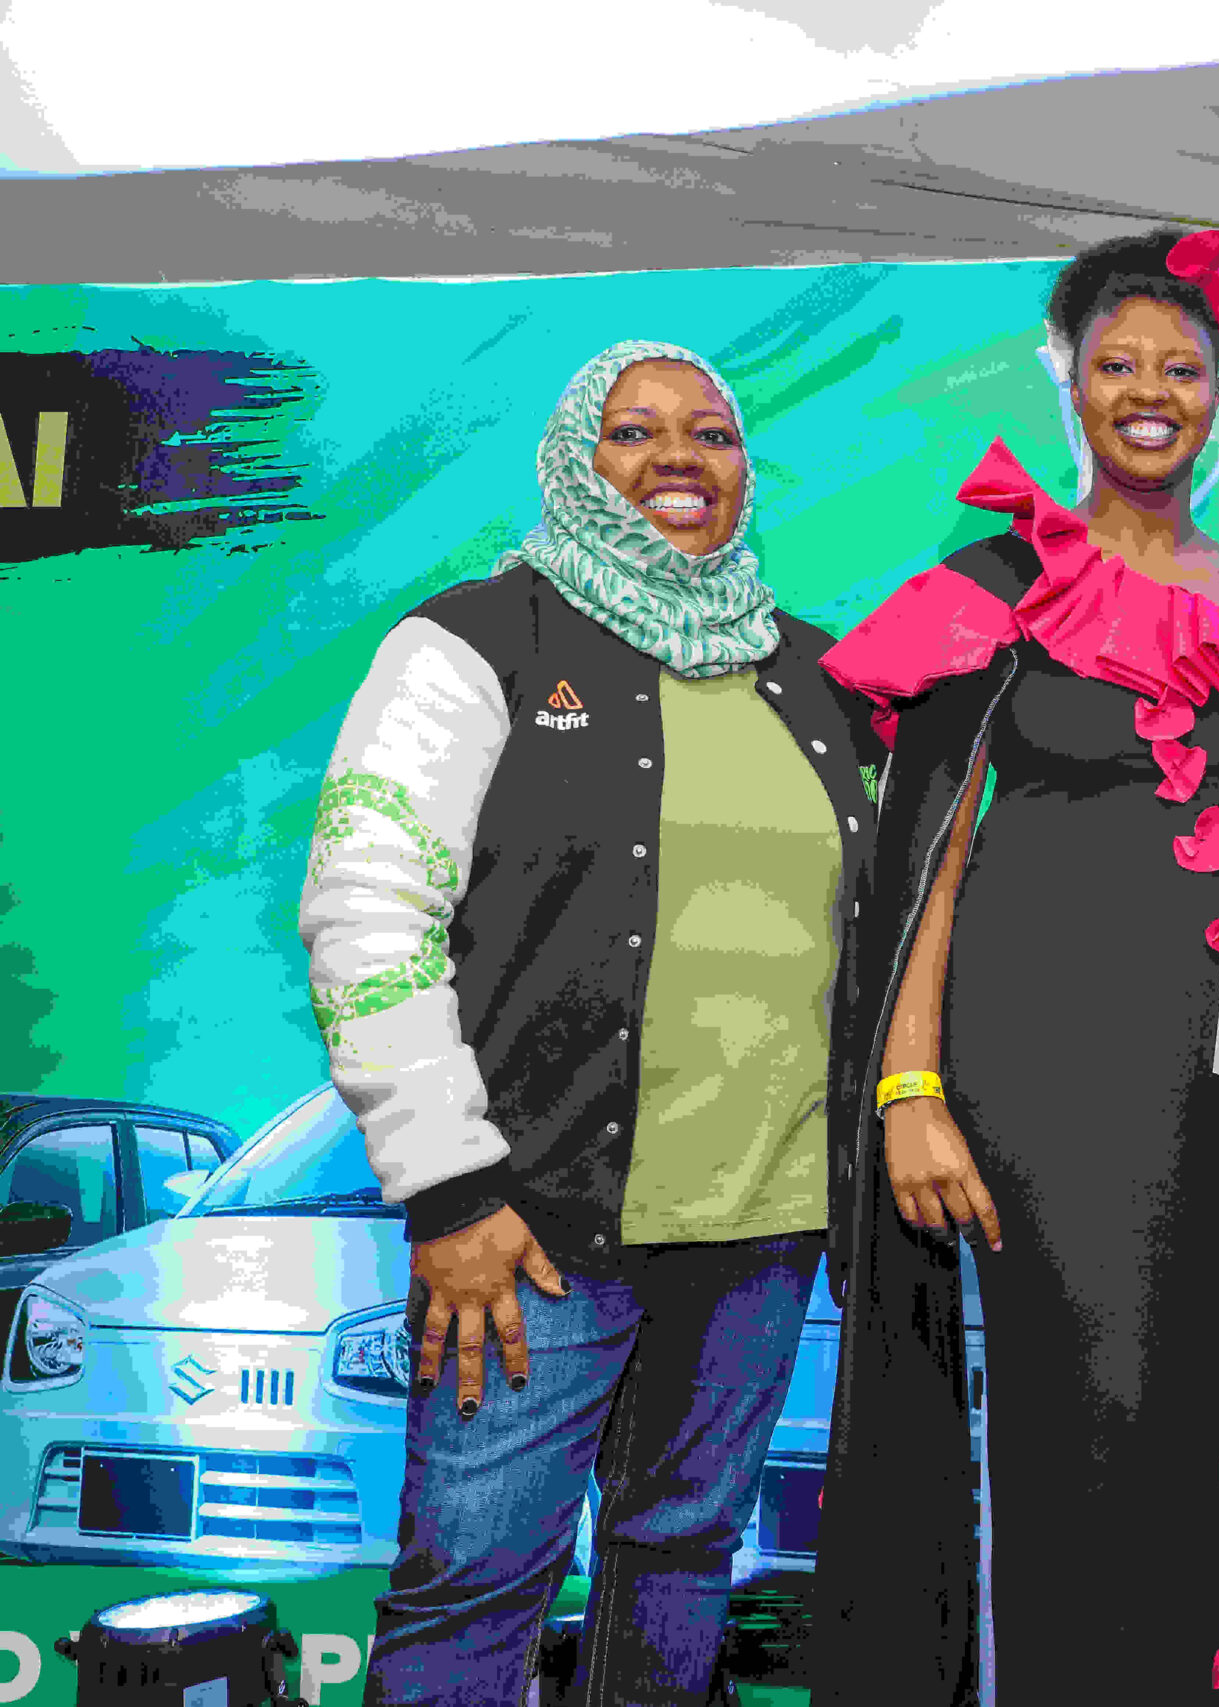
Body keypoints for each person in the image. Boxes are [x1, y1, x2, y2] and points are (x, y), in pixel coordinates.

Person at [299, 340, 880, 1705]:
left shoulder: (815, 675)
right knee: (475, 1586)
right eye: (635, 432)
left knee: (680, 1561)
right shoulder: (471, 643)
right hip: (528, 1235)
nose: (680, 458)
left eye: (714, 435)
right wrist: (446, 1186)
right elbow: (364, 908)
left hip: (763, 1228)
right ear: (575, 461)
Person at [811, 227, 1219, 1705]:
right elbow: (930, 857)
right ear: (1069, 383)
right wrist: (909, 1084)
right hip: (1037, 1082)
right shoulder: (995, 584)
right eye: (1118, 365)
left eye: (1182, 366)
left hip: (1215, 1089)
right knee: (1074, 1433)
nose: (1150, 392)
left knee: (1190, 1428)